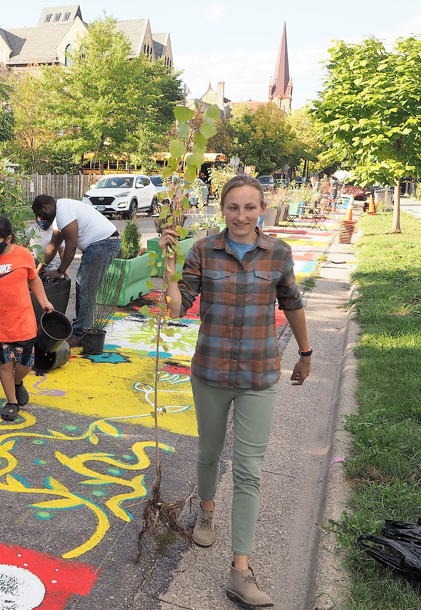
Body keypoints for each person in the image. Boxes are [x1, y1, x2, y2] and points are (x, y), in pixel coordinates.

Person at [159, 174, 311, 607]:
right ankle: (206, 510)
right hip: (209, 371)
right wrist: (168, 268)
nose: (241, 215)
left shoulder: (277, 252)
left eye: (249, 207)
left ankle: (239, 571)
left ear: (261, 208)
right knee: (209, 451)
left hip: (259, 374)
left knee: (248, 469)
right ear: (222, 210)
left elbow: (292, 303)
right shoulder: (205, 250)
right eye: (233, 208)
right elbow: (177, 307)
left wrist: (306, 351)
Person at [0, 215, 54, 421]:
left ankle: (18, 382)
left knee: (26, 363)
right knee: (4, 364)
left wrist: (44, 301)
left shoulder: (23, 255)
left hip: (23, 320)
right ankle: (11, 401)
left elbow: (34, 279)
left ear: (8, 238)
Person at [31, 195, 120, 347]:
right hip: (100, 244)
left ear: (45, 208)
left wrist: (60, 271)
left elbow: (71, 246)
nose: (41, 219)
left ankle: (81, 334)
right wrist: (38, 270)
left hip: (103, 243)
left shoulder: (64, 211)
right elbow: (53, 246)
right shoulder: (61, 214)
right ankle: (81, 325)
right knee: (83, 285)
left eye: (40, 215)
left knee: (87, 288)